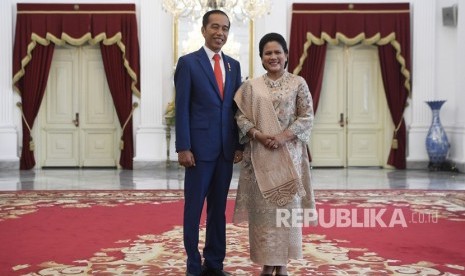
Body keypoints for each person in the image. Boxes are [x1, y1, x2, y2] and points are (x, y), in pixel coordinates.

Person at [233, 32, 316, 276]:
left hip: (289, 156)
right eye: (267, 53)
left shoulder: (298, 83)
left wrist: (283, 136)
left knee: (285, 213)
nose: (273, 57)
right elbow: (241, 117)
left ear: (286, 55)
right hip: (260, 157)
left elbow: (307, 116)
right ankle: (267, 263)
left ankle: (282, 265)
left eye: (277, 52)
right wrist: (257, 135)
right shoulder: (251, 87)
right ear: (261, 57)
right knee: (264, 214)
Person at [174, 9, 243, 276]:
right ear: (203, 30)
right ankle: (193, 266)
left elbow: (236, 110)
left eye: (225, 28)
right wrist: (183, 146)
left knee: (218, 212)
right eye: (215, 27)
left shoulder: (233, 65)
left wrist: (238, 145)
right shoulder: (189, 63)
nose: (220, 33)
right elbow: (182, 108)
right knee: (193, 210)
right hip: (198, 152)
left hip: (225, 151)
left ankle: (214, 264)